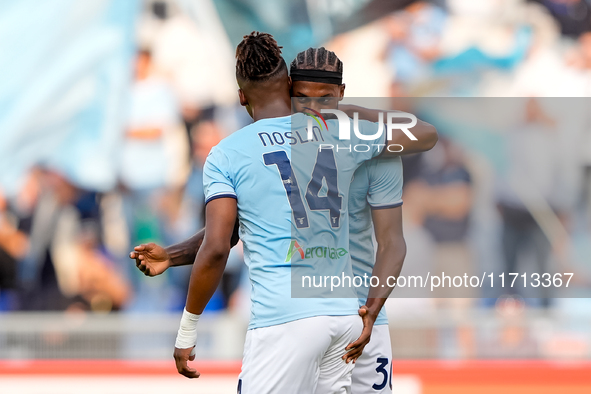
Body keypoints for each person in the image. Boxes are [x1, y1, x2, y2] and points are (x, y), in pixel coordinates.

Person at [131, 33, 437, 393]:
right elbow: (236, 228)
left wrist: (187, 330)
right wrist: (174, 254)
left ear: (241, 96)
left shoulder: (231, 153)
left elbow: (220, 243)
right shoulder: (346, 136)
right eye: (305, 98)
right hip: (343, 317)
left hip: (303, 317)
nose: (315, 107)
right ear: (288, 87)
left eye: (325, 99)